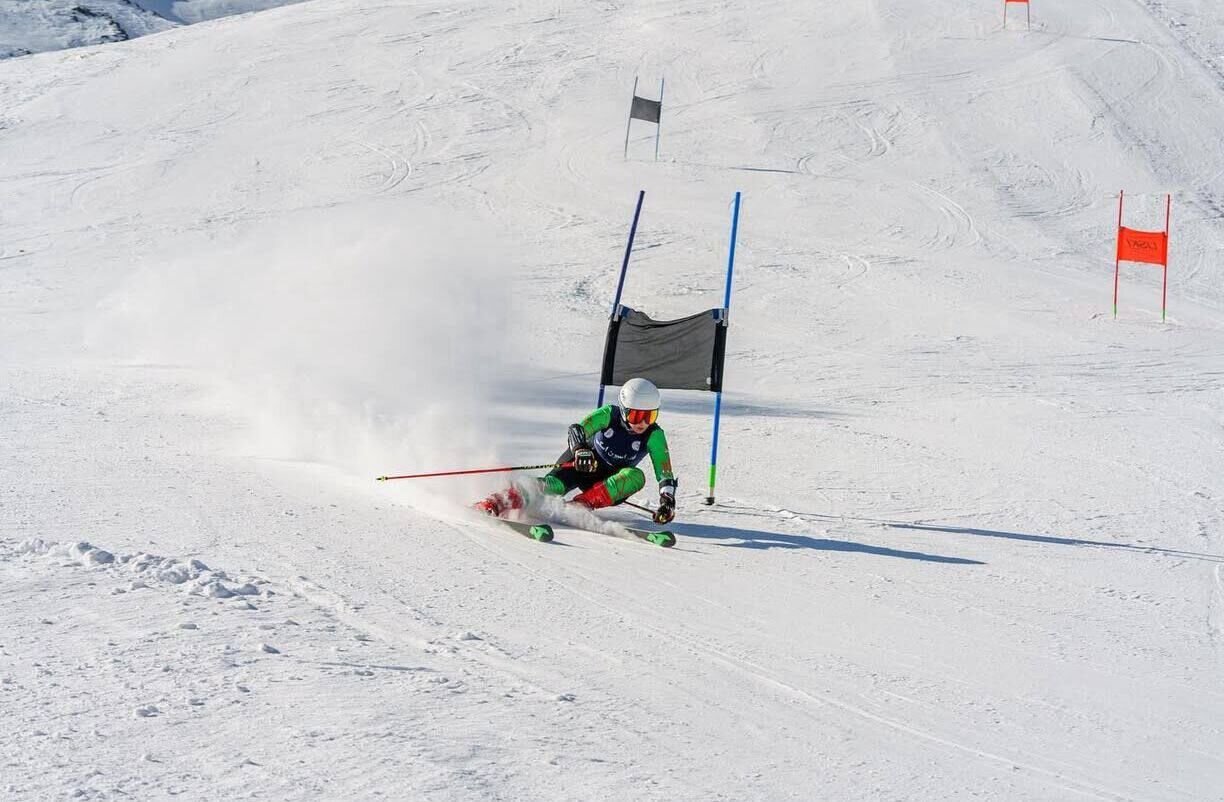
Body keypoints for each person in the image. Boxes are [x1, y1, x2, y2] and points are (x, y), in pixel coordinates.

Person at [477, 377, 678, 525]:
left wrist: (667, 500)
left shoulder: (654, 435)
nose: (642, 423)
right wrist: (581, 450)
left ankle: (579, 506)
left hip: (607, 483)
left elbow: (664, 471)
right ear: (624, 410)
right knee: (553, 486)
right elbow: (578, 429)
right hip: (582, 464)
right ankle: (499, 501)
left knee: (636, 476)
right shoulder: (609, 414)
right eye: (636, 416)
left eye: (650, 417)